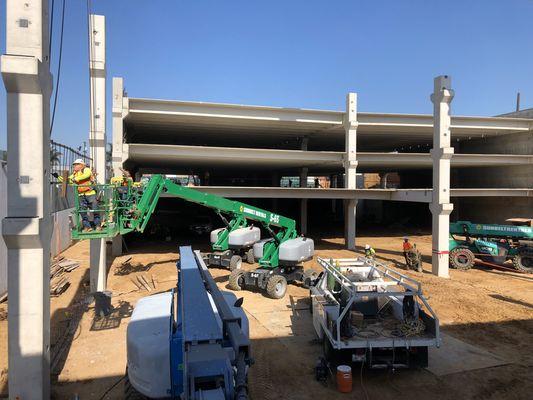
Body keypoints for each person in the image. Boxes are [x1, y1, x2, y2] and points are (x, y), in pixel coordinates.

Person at [55, 159, 100, 232]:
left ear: (82, 165)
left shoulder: (86, 170)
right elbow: (68, 180)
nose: (75, 166)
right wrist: (58, 177)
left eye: (76, 164)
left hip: (90, 193)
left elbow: (86, 175)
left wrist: (76, 179)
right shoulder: (74, 174)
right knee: (82, 212)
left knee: (95, 210)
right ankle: (87, 227)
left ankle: (98, 225)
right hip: (81, 195)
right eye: (74, 165)